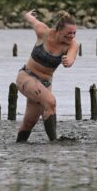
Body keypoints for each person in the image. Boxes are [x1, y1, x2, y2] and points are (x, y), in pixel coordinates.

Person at [16, 10, 79, 142]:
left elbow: (71, 57)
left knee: (29, 122)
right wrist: (28, 15)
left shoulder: (73, 44)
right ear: (58, 30)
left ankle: (19, 144)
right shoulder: (43, 32)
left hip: (45, 84)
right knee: (50, 102)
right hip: (27, 77)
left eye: (74, 33)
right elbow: (33, 21)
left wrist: (69, 61)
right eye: (69, 33)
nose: (71, 36)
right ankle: (53, 141)